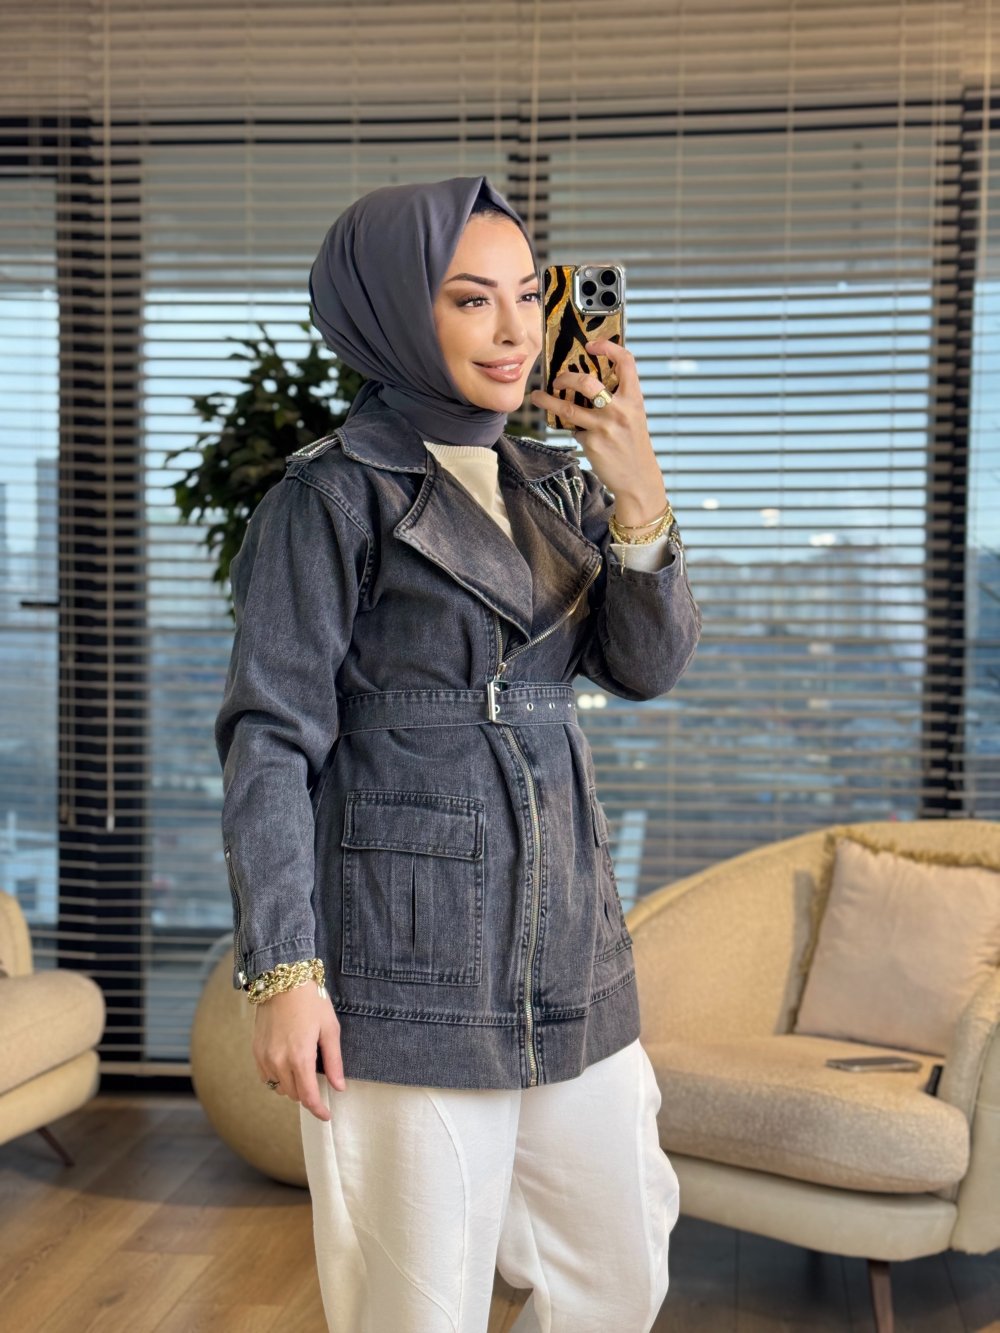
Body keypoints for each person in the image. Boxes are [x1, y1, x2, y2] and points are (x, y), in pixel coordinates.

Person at [214, 175, 701, 1333]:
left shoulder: (558, 481)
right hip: (404, 952)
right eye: (471, 299)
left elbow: (644, 666)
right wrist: (284, 971)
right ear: (392, 306)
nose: (514, 328)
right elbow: (270, 739)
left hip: (568, 943)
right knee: (416, 1302)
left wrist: (634, 482)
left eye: (529, 295)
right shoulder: (330, 496)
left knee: (617, 1276)